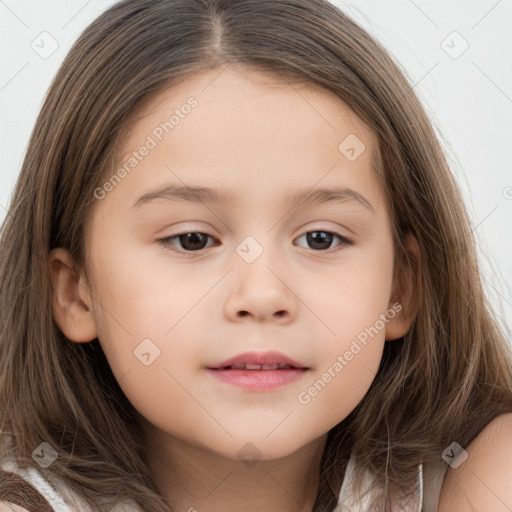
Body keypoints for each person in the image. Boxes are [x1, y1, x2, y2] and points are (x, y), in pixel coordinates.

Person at [1, 1, 512, 511]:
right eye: (192, 240)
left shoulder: (483, 476)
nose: (263, 295)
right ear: (74, 293)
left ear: (401, 288)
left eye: (320, 239)